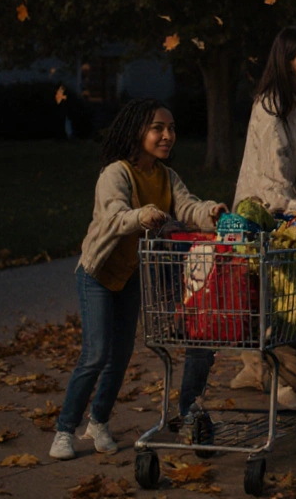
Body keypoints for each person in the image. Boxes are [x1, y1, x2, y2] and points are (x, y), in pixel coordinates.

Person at [50, 99, 226, 461]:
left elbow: (187, 207)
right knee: (96, 354)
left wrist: (210, 212)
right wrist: (141, 214)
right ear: (137, 132)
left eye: (171, 128)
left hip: (130, 274)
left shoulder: (166, 176)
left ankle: (98, 422)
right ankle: (64, 430)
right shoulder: (116, 173)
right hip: (98, 272)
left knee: (121, 355)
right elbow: (114, 215)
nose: (167, 135)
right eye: (158, 128)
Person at [179, 27, 296, 415]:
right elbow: (271, 182)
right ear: (289, 62)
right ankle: (281, 381)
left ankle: (254, 371)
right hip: (259, 215)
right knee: (276, 298)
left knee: (264, 295)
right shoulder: (269, 108)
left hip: (286, 210)